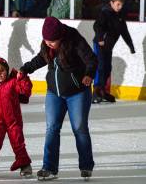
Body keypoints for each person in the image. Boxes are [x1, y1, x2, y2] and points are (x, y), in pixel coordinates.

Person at [19, 17, 97, 180]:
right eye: (46, 40)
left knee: (80, 128)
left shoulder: (74, 39)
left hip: (78, 92)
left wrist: (89, 74)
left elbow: (91, 59)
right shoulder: (47, 45)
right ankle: (49, 168)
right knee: (52, 128)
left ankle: (86, 166)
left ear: (61, 37)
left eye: (52, 41)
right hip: (54, 92)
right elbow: (41, 58)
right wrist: (26, 69)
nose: (48, 43)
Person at [92, 0, 135, 103]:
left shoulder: (120, 16)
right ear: (111, 3)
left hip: (108, 47)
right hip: (99, 45)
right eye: (118, 5)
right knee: (100, 67)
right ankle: (95, 91)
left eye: (121, 5)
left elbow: (124, 32)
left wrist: (131, 46)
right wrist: (100, 38)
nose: (120, 7)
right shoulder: (105, 13)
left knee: (107, 68)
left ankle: (101, 90)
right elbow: (97, 26)